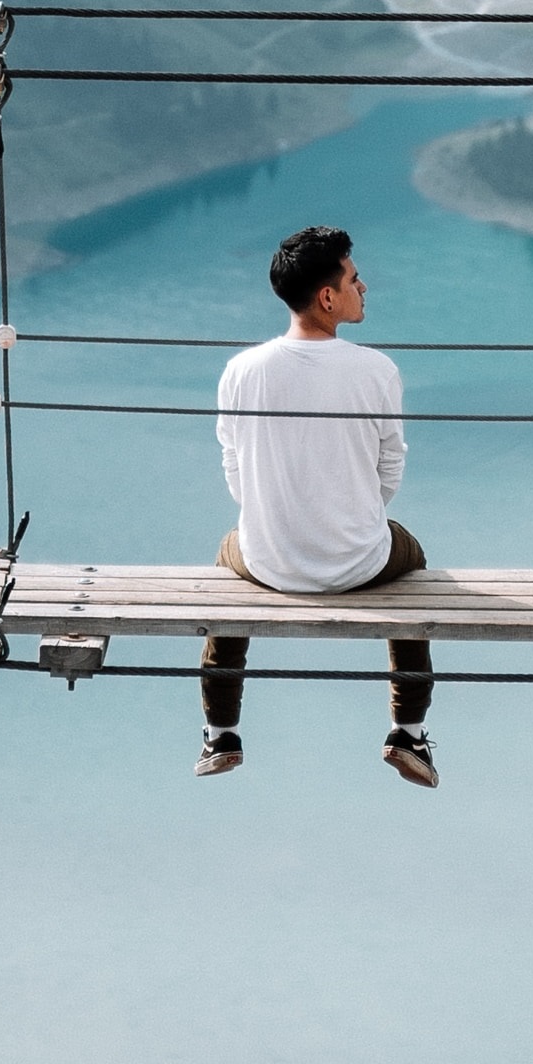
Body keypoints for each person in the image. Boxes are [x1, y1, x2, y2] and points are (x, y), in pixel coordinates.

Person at [197, 224, 437, 787]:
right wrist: (354, 515)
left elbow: (234, 469)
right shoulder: (376, 369)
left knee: (226, 564)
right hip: (360, 563)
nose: (364, 285)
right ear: (327, 297)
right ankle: (409, 732)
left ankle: (219, 733)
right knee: (414, 559)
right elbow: (390, 467)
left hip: (268, 564)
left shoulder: (241, 371)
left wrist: (278, 514)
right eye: (354, 278)